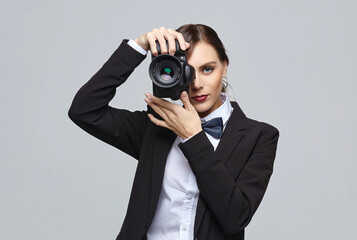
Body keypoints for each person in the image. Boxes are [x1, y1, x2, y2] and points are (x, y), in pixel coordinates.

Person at [68, 24, 280, 240]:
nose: (197, 84)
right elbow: (84, 110)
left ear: (224, 67)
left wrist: (194, 138)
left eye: (208, 69)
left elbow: (236, 217)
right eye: (188, 71)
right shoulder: (155, 127)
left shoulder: (259, 137)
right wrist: (138, 46)